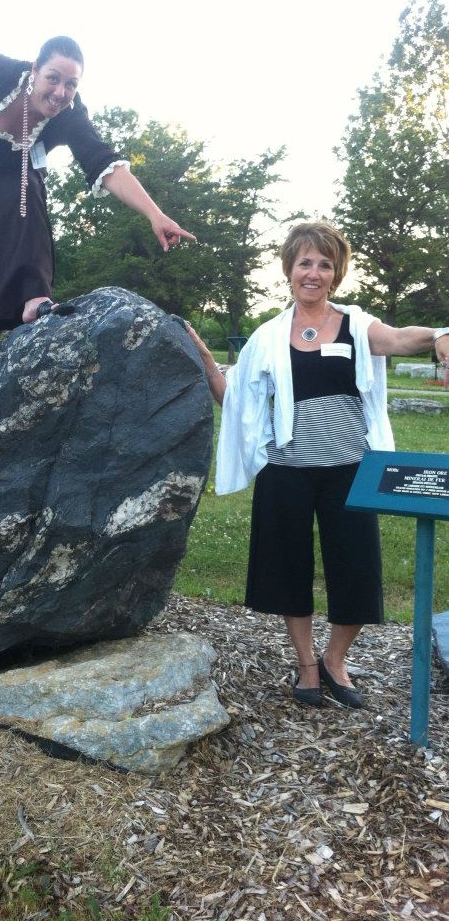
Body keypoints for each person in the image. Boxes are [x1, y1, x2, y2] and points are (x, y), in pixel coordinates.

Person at [186, 222, 449, 709]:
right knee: (286, 568)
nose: (314, 272)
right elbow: (237, 402)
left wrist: (438, 333)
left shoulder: (355, 324)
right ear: (288, 270)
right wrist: (207, 363)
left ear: (336, 273)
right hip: (284, 472)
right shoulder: (267, 336)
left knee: (357, 569)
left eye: (324, 264)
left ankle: (335, 660)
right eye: (304, 262)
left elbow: (397, 338)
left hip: (350, 471)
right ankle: (306, 664)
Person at [0, 36, 196, 345]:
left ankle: (33, 300)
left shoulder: (69, 115)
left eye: (71, 84)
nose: (60, 93)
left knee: (30, 196)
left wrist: (155, 215)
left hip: (7, 165)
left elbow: (104, 163)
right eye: (53, 78)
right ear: (35, 69)